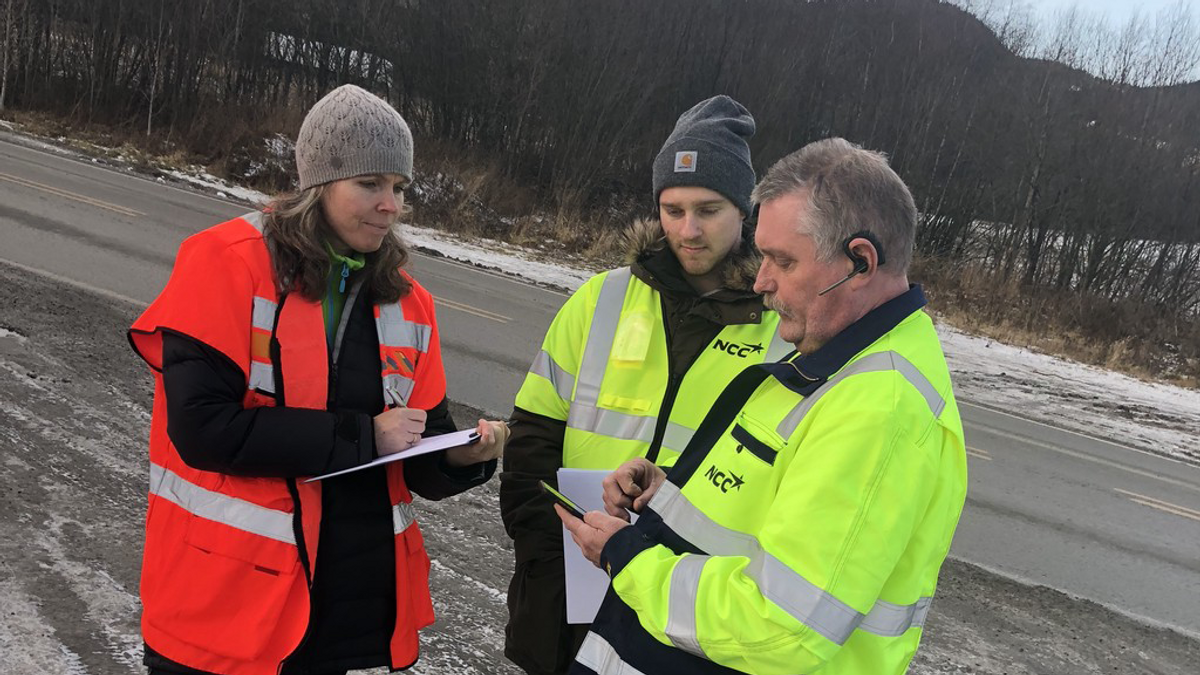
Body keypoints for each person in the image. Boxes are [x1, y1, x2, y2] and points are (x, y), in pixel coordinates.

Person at [128, 84, 508, 675]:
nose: (391, 205)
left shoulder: (411, 304)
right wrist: (365, 436)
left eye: (400, 187)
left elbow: (418, 447)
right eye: (370, 183)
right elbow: (204, 431)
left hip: (344, 610)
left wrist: (462, 459)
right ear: (318, 183)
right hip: (224, 606)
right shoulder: (227, 262)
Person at [559, 138, 968, 674]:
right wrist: (674, 492)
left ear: (860, 262)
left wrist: (630, 560)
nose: (761, 281)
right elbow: (774, 499)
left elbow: (781, 625)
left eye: (783, 260)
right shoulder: (834, 356)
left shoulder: (880, 406)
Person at [499, 95, 792, 675]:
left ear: (745, 211)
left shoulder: (782, 329)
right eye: (672, 209)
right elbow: (531, 439)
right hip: (568, 589)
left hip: (683, 609)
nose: (688, 229)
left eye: (708, 210)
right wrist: (549, 555)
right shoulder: (601, 298)